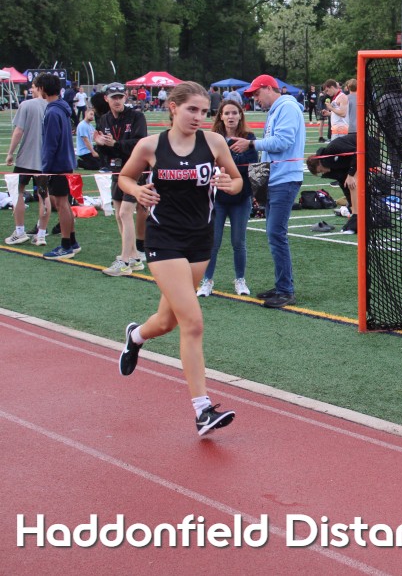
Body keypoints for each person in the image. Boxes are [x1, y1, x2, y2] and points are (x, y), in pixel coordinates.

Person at [117, 81, 243, 435]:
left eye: (204, 111)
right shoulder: (150, 145)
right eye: (192, 109)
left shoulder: (214, 142)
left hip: (200, 239)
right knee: (193, 322)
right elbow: (125, 177)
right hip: (164, 240)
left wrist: (228, 184)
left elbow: (237, 182)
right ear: (173, 107)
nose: (199, 117)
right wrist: (137, 189)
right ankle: (203, 410)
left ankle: (136, 336)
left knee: (166, 321)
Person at [230, 74, 305, 308]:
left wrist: (251, 143)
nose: (255, 99)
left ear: (268, 88)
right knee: (274, 234)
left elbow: (283, 142)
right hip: (275, 178)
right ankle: (282, 285)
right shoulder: (277, 110)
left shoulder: (287, 108)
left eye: (256, 93)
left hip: (285, 179)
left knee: (276, 234)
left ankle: (286, 290)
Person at [197, 100, 258, 297]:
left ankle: (240, 279)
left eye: (234, 113)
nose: (231, 116)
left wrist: (224, 159)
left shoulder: (248, 138)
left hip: (241, 197)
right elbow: (206, 163)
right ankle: (207, 280)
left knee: (238, 242)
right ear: (221, 116)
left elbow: (250, 164)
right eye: (227, 113)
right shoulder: (212, 138)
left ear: (240, 115)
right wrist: (231, 159)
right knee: (212, 242)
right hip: (216, 198)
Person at [95, 82, 148, 277]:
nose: (117, 101)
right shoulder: (104, 119)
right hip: (116, 169)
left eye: (120, 97)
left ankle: (124, 262)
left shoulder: (136, 116)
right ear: (106, 99)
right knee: (119, 214)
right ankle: (133, 257)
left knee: (126, 213)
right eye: (113, 97)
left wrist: (115, 144)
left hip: (135, 169)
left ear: (125, 97)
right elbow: (103, 150)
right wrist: (99, 144)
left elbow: (140, 143)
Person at [36, 73, 80, 259]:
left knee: (62, 204)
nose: (35, 91)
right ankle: (72, 242)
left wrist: (44, 169)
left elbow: (50, 144)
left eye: (37, 87)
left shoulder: (53, 112)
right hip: (64, 163)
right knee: (64, 203)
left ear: (43, 89)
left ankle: (66, 245)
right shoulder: (60, 108)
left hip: (58, 165)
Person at [4, 79, 52, 246]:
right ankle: (41, 234)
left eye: (33, 87)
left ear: (40, 87)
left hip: (26, 159)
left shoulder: (26, 105)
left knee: (17, 192)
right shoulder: (53, 106)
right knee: (44, 195)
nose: (31, 90)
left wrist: (10, 153)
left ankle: (19, 231)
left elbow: (19, 130)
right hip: (45, 161)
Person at [75, 106, 103, 171]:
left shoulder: (90, 125)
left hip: (89, 150)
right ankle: (78, 163)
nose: (92, 116)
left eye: (93, 115)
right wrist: (93, 152)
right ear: (86, 113)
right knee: (96, 166)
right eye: (91, 114)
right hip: (84, 152)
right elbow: (86, 140)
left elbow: (95, 136)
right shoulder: (82, 125)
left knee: (102, 161)